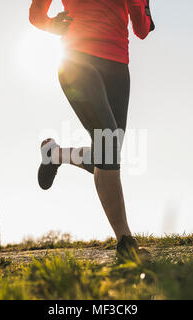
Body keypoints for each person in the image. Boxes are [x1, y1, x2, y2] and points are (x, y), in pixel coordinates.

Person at [29, 0, 155, 261]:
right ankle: (125, 244)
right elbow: (35, 14)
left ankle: (54, 154)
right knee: (108, 143)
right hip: (76, 61)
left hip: (118, 69)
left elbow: (142, 29)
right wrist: (53, 24)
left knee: (107, 154)